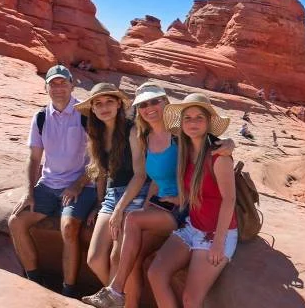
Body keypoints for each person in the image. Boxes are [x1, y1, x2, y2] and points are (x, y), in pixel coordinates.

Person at [81, 84, 235, 308]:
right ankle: (120, 297)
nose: (149, 107)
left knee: (131, 225)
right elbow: (151, 178)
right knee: (130, 252)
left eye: (155, 101)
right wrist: (146, 205)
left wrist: (230, 143)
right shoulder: (144, 137)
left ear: (165, 103)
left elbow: (208, 146)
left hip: (183, 212)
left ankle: (116, 292)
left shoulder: (179, 135)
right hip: (165, 206)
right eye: (143, 104)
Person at [8, 65, 97, 298]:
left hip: (82, 185)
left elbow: (99, 158)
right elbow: (34, 157)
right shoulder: (40, 117)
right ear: (46, 87)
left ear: (72, 85)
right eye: (53, 83)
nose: (58, 88)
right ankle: (35, 280)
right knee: (15, 222)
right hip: (48, 185)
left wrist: (78, 184)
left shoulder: (86, 114)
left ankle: (68, 291)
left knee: (68, 228)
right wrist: (29, 191)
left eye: (63, 83)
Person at [148, 93, 237, 308]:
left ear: (208, 122)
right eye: (187, 118)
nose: (193, 123)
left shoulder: (219, 156)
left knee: (191, 299)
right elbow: (197, 190)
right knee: (155, 274)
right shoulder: (186, 152)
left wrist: (218, 242)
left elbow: (229, 200)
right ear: (182, 123)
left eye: (199, 118)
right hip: (192, 227)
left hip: (215, 233)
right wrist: (178, 199)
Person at [74, 83, 151, 301]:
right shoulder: (96, 134)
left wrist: (119, 209)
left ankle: (115, 300)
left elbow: (140, 175)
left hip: (136, 193)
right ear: (93, 110)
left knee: (117, 254)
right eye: (98, 104)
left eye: (109, 101)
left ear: (119, 104)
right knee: (95, 258)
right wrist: (100, 204)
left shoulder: (131, 130)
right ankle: (116, 299)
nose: (103, 107)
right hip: (111, 196)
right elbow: (101, 172)